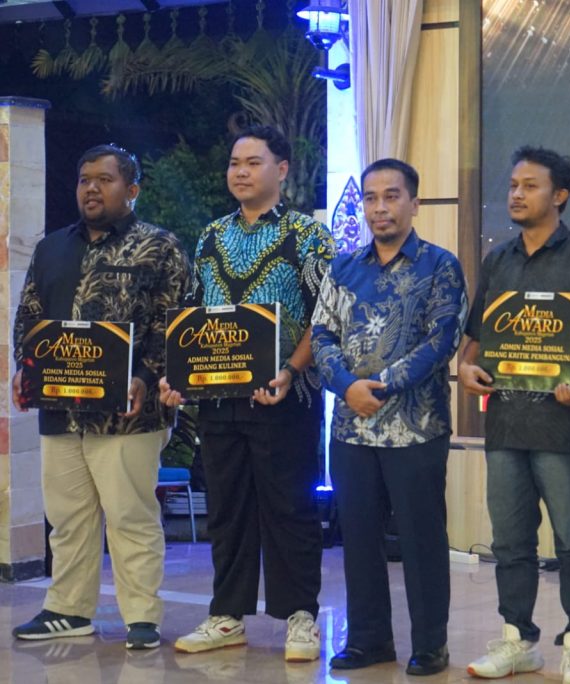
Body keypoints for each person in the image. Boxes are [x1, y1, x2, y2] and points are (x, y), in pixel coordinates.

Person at [160, 125, 335, 662]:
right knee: (227, 510)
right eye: (235, 163)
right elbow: (196, 313)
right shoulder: (211, 236)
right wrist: (177, 375)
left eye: (253, 162)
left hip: (287, 397)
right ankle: (227, 615)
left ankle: (300, 616)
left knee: (291, 509)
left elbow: (325, 317)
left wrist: (289, 369)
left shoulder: (309, 235)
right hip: (219, 401)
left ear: (281, 169)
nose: (240, 172)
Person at [459, 146, 570, 684]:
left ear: (560, 195)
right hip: (506, 422)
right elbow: (476, 338)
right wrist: (464, 368)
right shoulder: (498, 260)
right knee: (510, 541)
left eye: (529, 186)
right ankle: (518, 639)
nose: (515, 194)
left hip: (565, 424)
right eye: (513, 185)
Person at [11, 144, 191, 649]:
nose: (91, 188)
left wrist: (147, 374)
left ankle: (142, 617)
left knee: (131, 516)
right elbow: (29, 316)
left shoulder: (160, 247)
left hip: (128, 414)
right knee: (67, 518)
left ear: (131, 190)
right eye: (84, 179)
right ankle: (68, 610)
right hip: (60, 408)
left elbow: (175, 323)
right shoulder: (51, 248)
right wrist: (24, 368)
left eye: (105, 180)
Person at [310, 158, 466, 676]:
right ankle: (369, 640)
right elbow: (321, 335)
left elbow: (442, 340)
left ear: (414, 203)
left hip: (416, 429)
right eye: (371, 198)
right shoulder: (343, 267)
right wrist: (347, 387)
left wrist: (381, 385)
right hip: (350, 428)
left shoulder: (440, 266)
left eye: (392, 196)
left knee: (421, 541)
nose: (380, 207)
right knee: (358, 539)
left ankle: (431, 644)